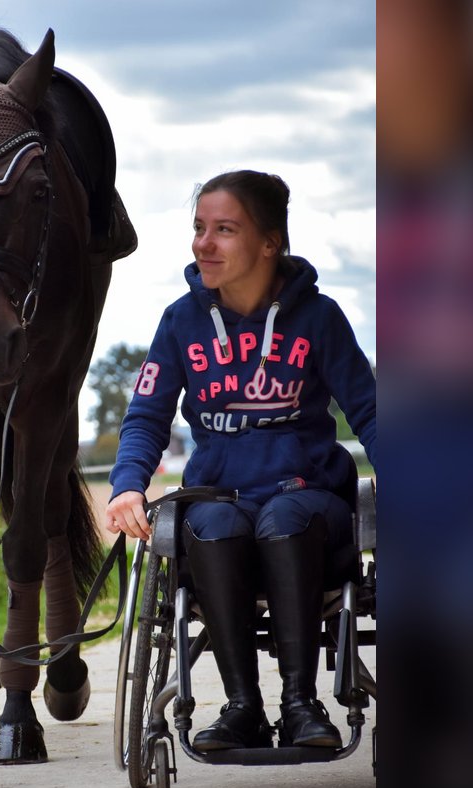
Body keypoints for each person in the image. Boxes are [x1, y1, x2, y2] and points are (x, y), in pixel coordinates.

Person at [105, 170, 377, 752]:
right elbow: (147, 415)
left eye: (224, 230)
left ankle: (302, 705)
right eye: (200, 228)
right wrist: (127, 486)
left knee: (285, 519)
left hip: (307, 496)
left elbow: (372, 413)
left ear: (269, 243)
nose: (204, 243)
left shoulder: (319, 318)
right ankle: (241, 707)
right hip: (221, 498)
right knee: (213, 523)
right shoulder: (182, 321)